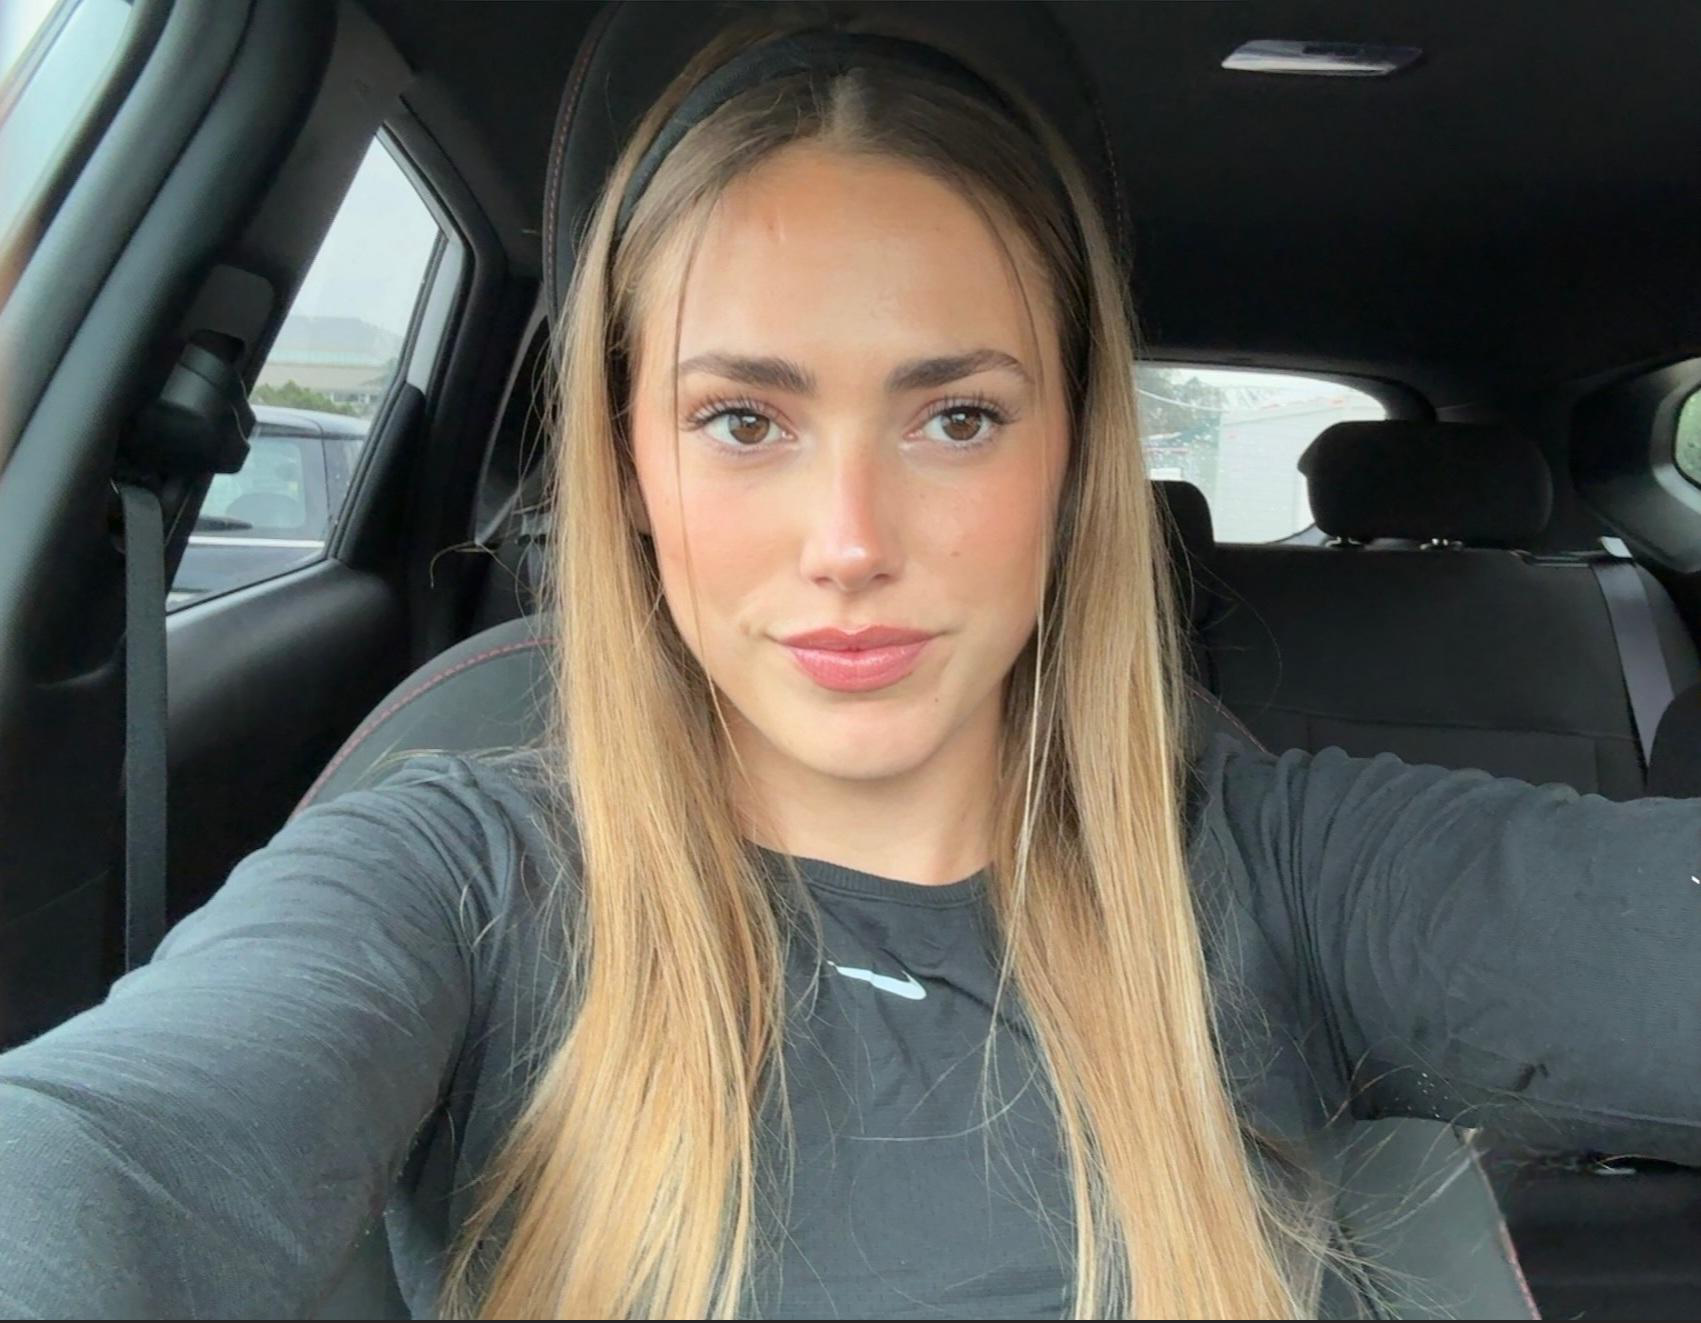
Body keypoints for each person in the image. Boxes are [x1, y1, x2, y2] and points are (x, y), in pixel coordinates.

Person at [1, 17, 1698, 1322]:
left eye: (956, 416)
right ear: (631, 464)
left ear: (1072, 457)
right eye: (744, 419)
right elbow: (108, 1155)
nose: (850, 539)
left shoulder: (1278, 869)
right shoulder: (453, 880)